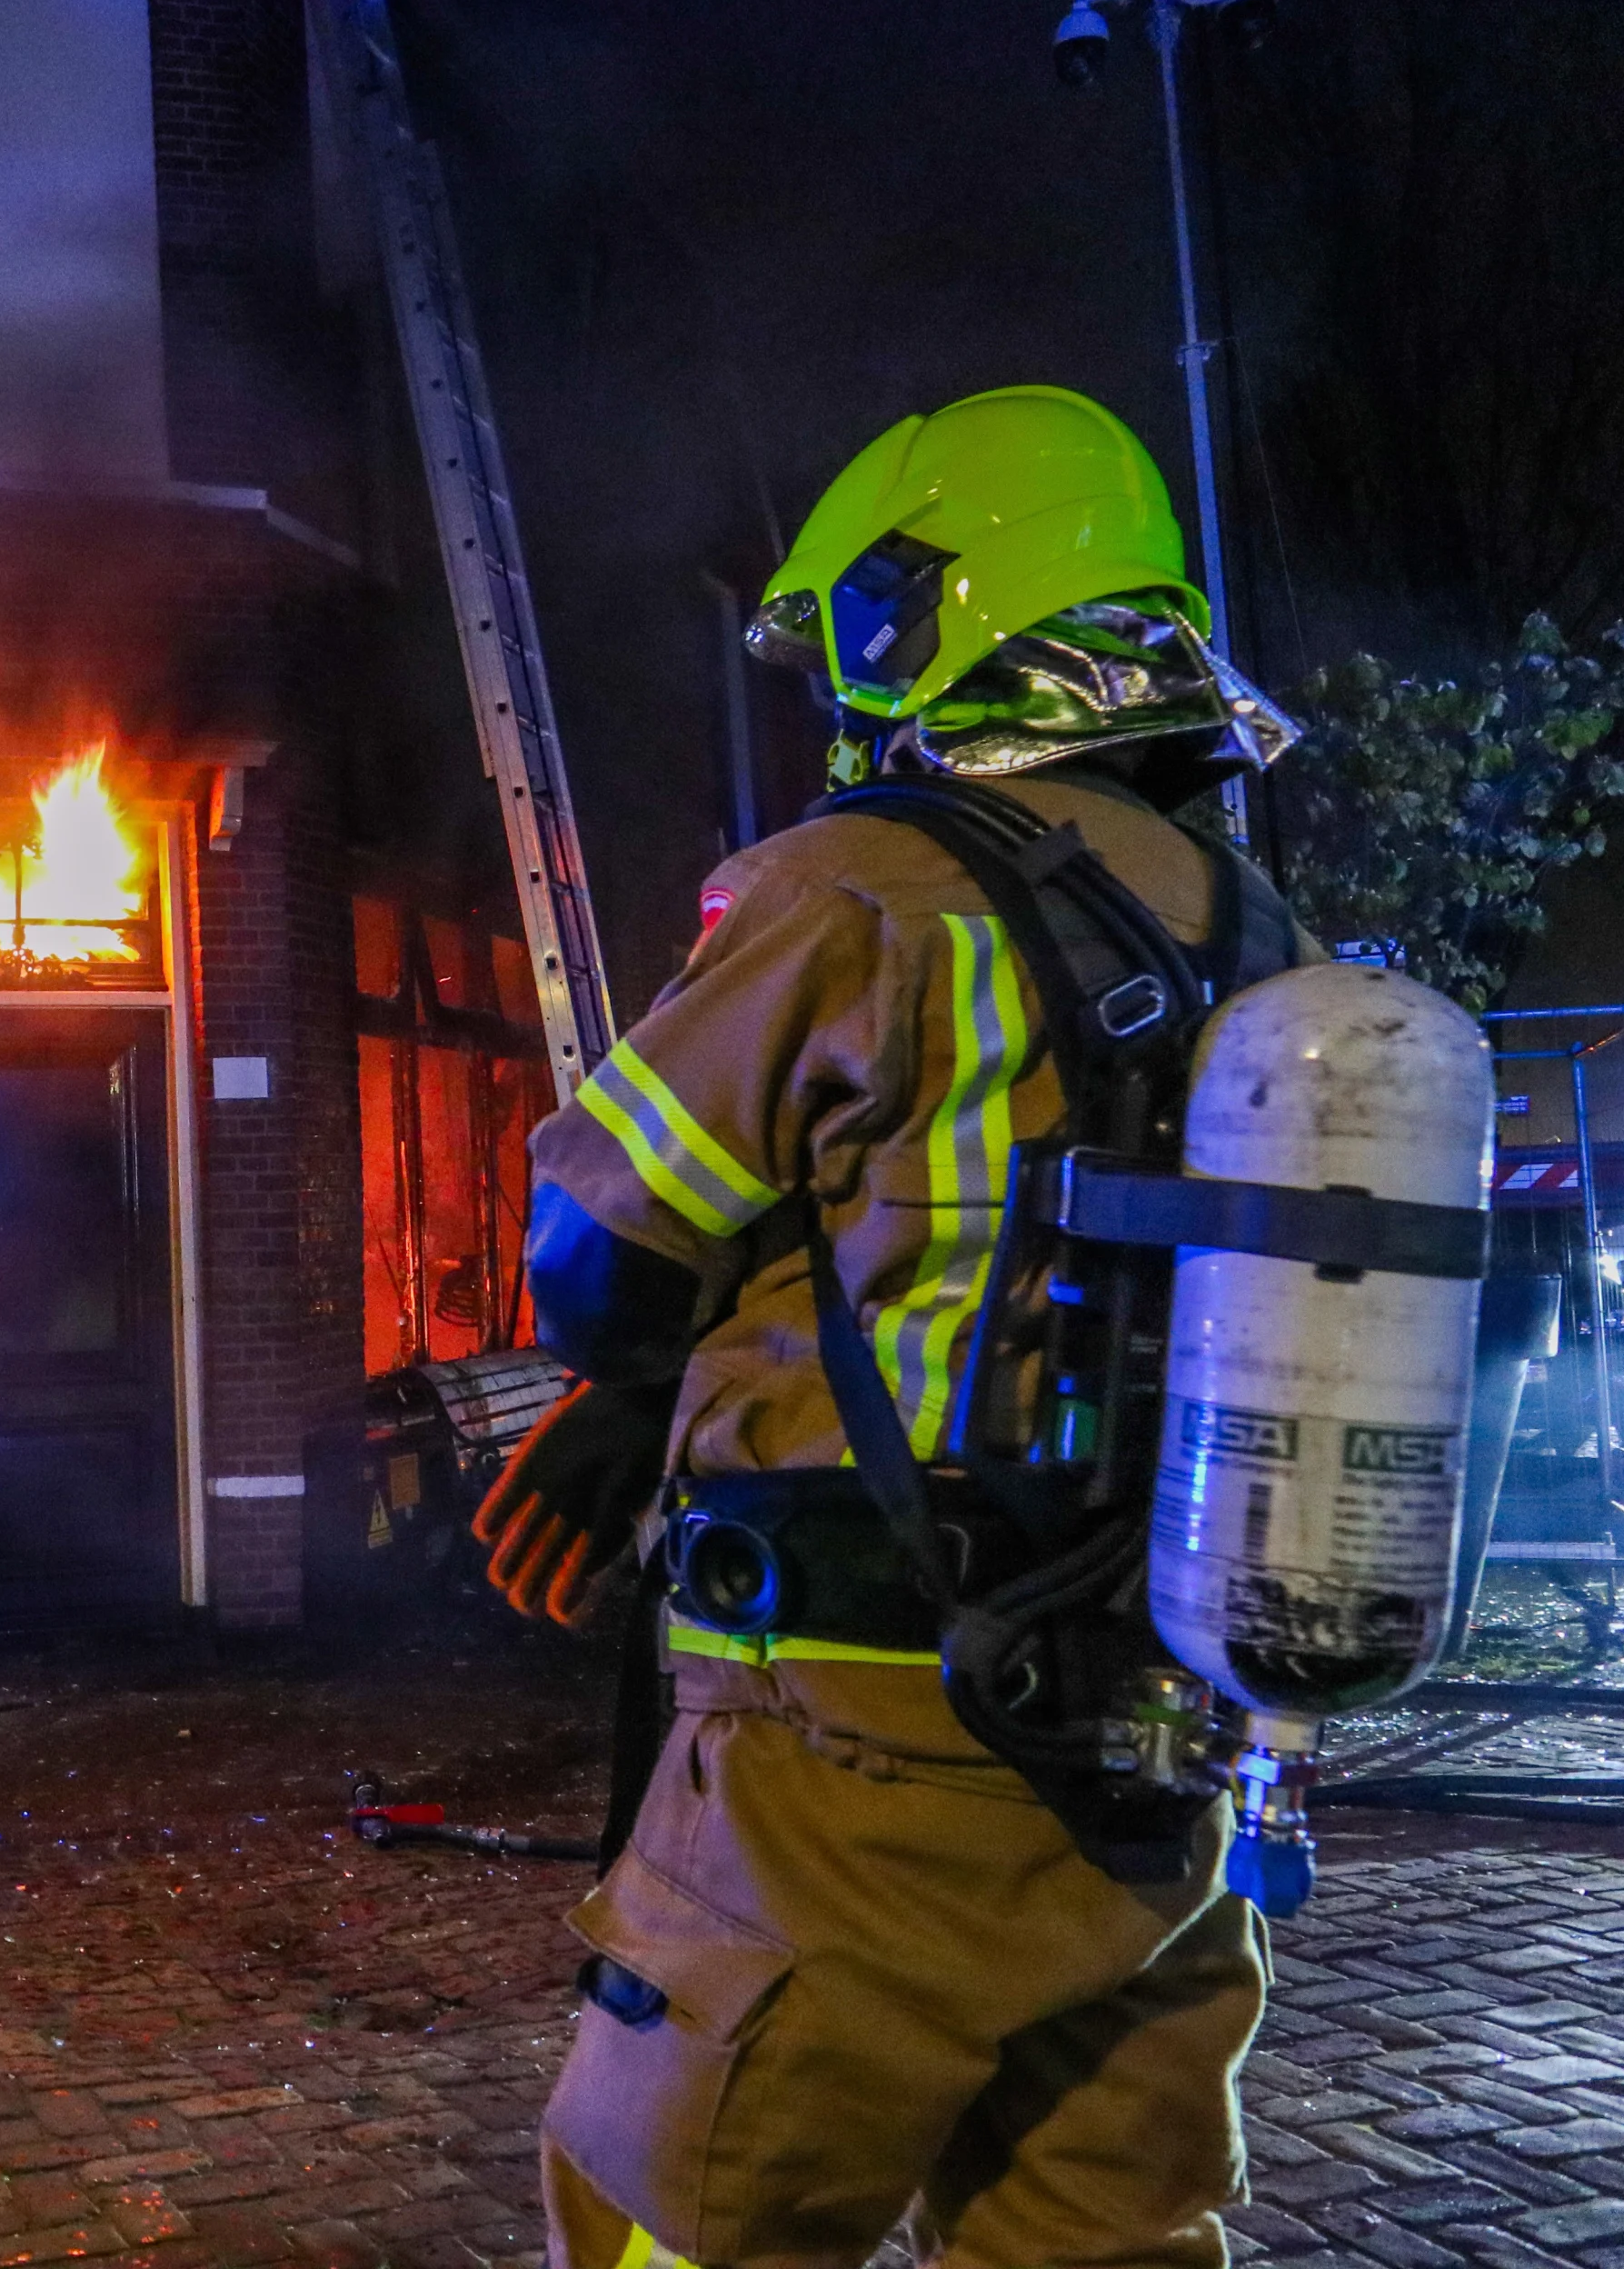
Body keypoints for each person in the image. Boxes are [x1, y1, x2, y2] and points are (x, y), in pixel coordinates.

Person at [473, 386, 1311, 2268]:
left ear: (927, 610)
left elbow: (594, 1248)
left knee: (662, 2220)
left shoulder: (855, 884)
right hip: (1154, 1761)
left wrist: (642, 1383)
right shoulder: (1253, 927)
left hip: (853, 1752)